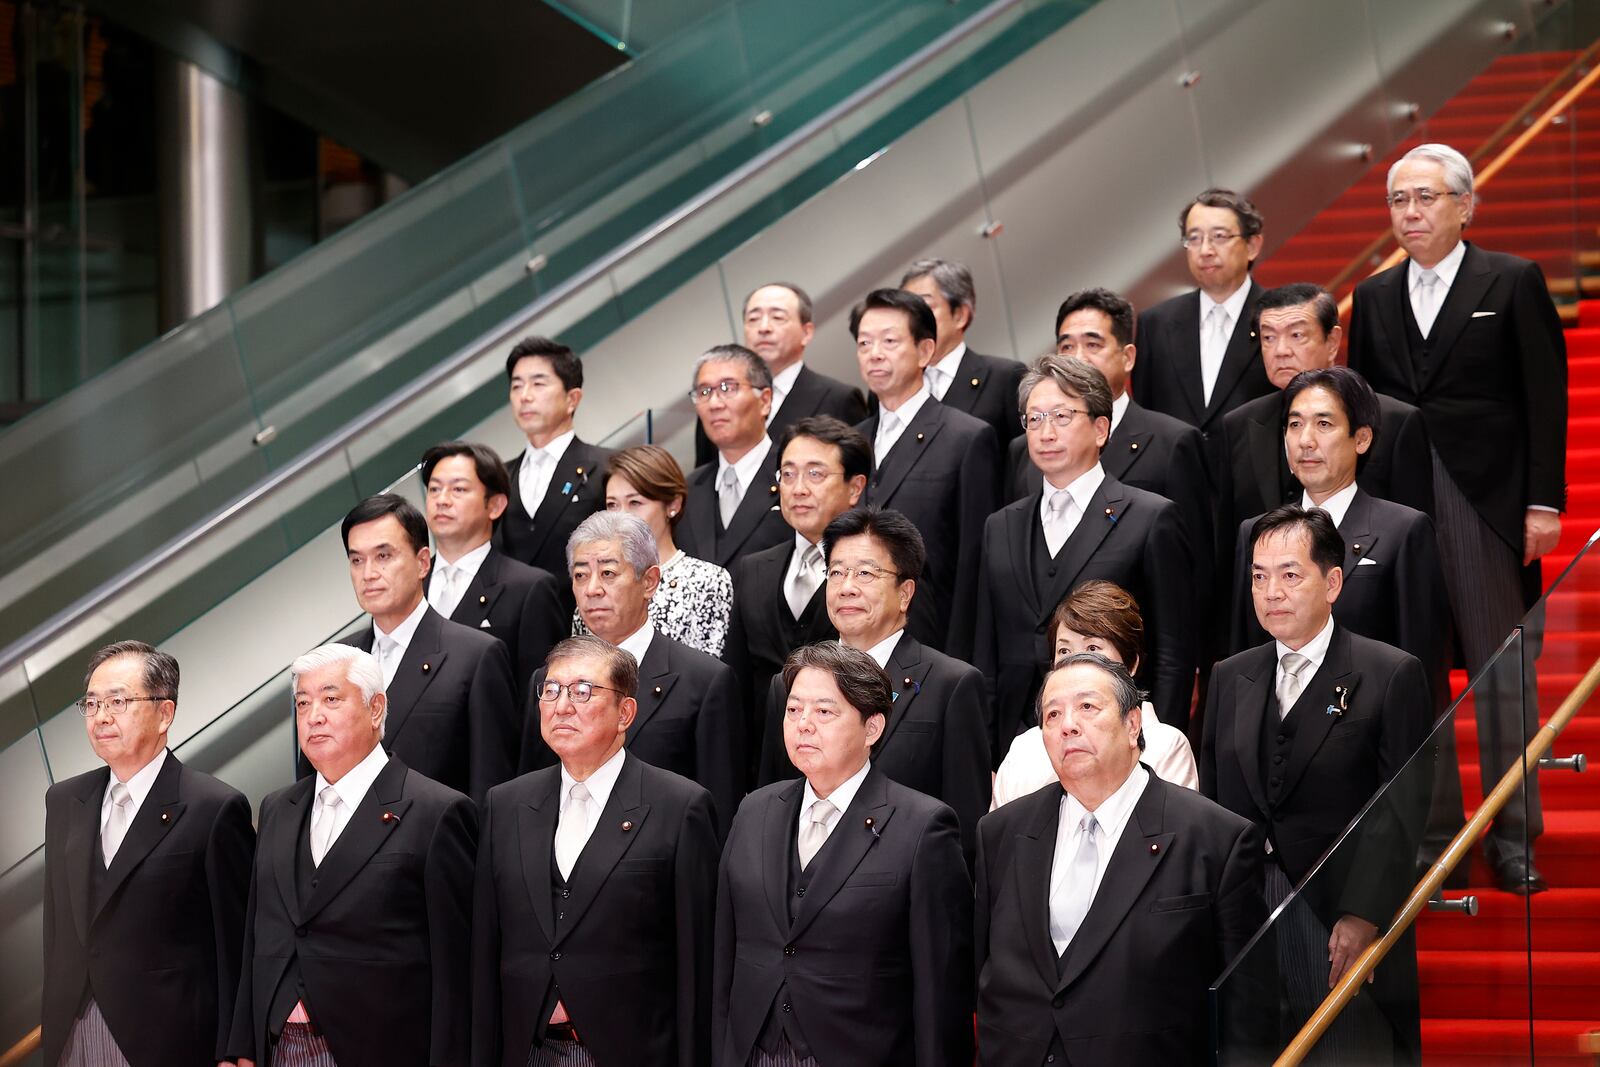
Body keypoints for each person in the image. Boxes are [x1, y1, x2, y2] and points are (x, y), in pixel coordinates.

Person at [1347, 143, 1568, 894]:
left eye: (1427, 198)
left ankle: (1512, 834)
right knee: (1413, 679)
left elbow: (1545, 394)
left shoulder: (1509, 280)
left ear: (1465, 205)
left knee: (1503, 679)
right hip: (1402, 507)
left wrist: (1543, 501)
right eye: (1399, 201)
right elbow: (1365, 411)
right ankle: (1435, 836)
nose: (1411, 213)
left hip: (1487, 504)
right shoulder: (1374, 297)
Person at [1201, 507, 1430, 1063]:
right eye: (1258, 576)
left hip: (1338, 918)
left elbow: (1400, 810)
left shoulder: (1389, 673)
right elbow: (1211, 802)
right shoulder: (1230, 676)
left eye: (1289, 574)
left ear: (1332, 582)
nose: (1270, 591)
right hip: (1246, 914)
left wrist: (1363, 914)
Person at [974, 653, 1272, 1066]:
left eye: (1087, 707)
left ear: (1133, 725)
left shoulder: (1215, 839)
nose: (1068, 725)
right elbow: (985, 975)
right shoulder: (1001, 832)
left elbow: (1249, 1010)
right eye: (1052, 715)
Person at [713, 643, 974, 1067]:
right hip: (754, 1051)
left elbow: (940, 987)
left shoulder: (923, 826)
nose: (803, 726)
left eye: (824, 712)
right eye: (793, 710)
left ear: (871, 728)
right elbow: (727, 953)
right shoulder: (754, 810)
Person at [472, 637, 720, 1067]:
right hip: (524, 1048)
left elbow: (697, 963)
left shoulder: (680, 806)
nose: (562, 705)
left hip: (632, 1047)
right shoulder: (505, 804)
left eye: (583, 691)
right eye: (551, 690)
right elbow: (485, 949)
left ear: (625, 713)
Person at [229, 644, 476, 1067]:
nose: (313, 716)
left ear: (375, 708)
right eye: (302, 703)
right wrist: (242, 1047)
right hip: (278, 1047)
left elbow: (459, 967)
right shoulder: (276, 808)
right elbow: (259, 932)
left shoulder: (437, 810)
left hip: (384, 1046)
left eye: (331, 699)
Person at [974, 355, 1195, 766]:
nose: (1045, 431)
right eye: (1034, 419)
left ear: (1100, 428)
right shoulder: (1000, 525)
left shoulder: (1149, 517)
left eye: (1061, 415)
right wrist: (988, 754)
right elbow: (987, 655)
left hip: (1115, 740)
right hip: (1020, 741)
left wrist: (1156, 744)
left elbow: (1172, 655)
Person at [42, 641, 254, 1067]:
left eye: (118, 701)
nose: (101, 716)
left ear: (165, 713)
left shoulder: (214, 807)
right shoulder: (65, 800)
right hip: (71, 1033)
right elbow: (56, 928)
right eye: (92, 703)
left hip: (168, 1036)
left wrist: (236, 1049)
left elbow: (240, 943)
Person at [755, 507, 991, 863]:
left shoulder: (951, 685)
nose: (846, 588)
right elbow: (773, 802)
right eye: (836, 572)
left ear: (905, 592)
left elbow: (965, 833)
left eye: (866, 573)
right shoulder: (789, 684)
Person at [522, 512, 743, 836]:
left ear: (649, 581)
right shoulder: (548, 680)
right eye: (581, 576)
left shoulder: (705, 681)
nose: (592, 589)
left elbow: (719, 811)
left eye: (608, 573)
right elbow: (532, 789)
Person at [1009, 288, 1214, 607]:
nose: (1078, 357)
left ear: (1128, 356)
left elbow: (1196, 567)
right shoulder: (1026, 448)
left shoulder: (1172, 442)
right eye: (1067, 346)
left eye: (1093, 344)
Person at [334, 493, 520, 804]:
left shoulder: (476, 655)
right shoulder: (337, 660)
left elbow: (492, 788)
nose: (368, 574)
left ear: (423, 563)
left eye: (383, 556)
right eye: (357, 560)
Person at [1221, 282, 1434, 541]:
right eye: (1268, 337)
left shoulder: (1395, 421)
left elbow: (1417, 536)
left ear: (1332, 341)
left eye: (1296, 335)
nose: (1280, 351)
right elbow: (1229, 540)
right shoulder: (1238, 424)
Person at [853, 287, 998, 658]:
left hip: (934, 637)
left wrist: (963, 653)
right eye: (865, 343)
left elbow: (974, 561)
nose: (875, 354)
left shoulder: (965, 436)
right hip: (859, 643)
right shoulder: (853, 440)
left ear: (925, 350)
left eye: (889, 341)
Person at [723, 416, 869, 769]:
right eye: (787, 475)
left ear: (855, 487)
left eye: (815, 474)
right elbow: (736, 684)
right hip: (766, 763)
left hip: (849, 761)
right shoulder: (753, 568)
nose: (798, 488)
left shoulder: (875, 570)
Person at [992, 581, 1198, 808]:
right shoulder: (1025, 748)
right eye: (1064, 651)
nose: (1076, 662)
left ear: (1130, 665)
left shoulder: (1166, 745)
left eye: (1092, 649)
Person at [1132, 188, 1275, 468]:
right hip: (1176, 485)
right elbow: (1147, 415)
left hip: (1257, 483)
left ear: (1252, 245)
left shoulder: (1277, 316)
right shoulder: (1156, 323)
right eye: (1194, 239)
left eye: (1219, 237)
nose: (1205, 250)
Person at [421, 441, 567, 708]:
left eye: (458, 489)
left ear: (496, 505)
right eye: (434, 489)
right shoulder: (410, 585)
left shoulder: (530, 589)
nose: (441, 500)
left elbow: (541, 702)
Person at [574, 443, 733, 657]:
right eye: (612, 505)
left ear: (673, 505)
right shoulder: (593, 586)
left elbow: (708, 675)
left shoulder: (708, 581)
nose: (622, 516)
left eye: (635, 503)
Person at [692, 281, 867, 467]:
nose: (764, 327)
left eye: (777, 317)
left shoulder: (838, 398)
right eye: (753, 319)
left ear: (806, 332)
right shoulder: (715, 399)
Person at [496, 337, 612, 603]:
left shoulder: (607, 467)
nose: (524, 396)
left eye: (538, 383)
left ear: (572, 399)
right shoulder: (498, 478)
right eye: (516, 385)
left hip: (584, 625)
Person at [678, 344, 793, 569]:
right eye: (704, 392)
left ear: (765, 400)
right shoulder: (686, 489)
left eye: (728, 388)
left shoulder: (793, 476)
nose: (714, 403)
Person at [900, 257, 1027, 453]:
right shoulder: (895, 384)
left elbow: (1023, 457)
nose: (913, 319)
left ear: (959, 314)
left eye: (925, 306)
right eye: (906, 310)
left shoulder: (1004, 377)